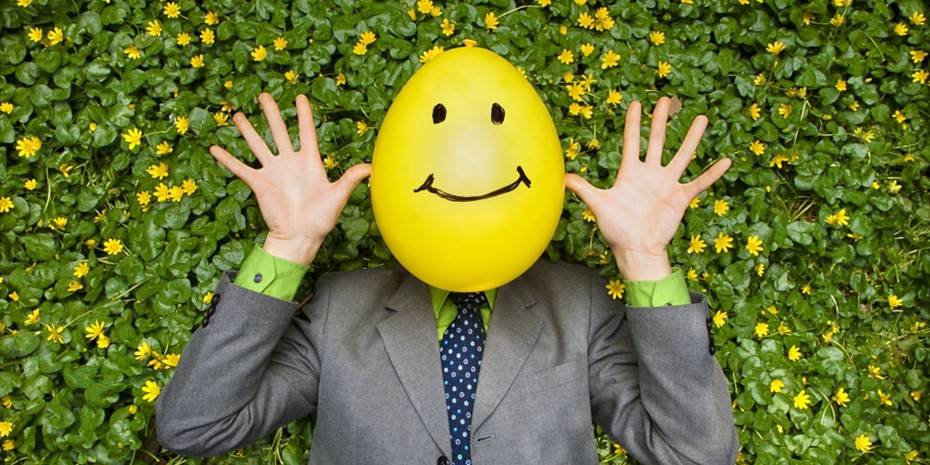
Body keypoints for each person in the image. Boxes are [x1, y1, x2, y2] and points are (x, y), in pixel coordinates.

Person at [156, 91, 739, 464]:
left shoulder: (576, 305)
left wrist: (643, 257)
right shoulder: (343, 307)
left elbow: (694, 454)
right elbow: (194, 426)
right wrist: (290, 245)